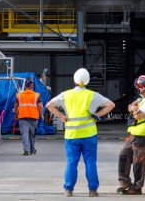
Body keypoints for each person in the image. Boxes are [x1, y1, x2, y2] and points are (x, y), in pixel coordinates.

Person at [47, 68, 115, 198]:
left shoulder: (66, 95)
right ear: (88, 81)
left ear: (74, 80)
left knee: (71, 162)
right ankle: (93, 190)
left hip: (72, 135)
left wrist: (62, 116)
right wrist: (97, 115)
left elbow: (49, 105)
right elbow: (111, 105)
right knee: (90, 162)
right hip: (89, 134)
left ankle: (68, 189)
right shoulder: (92, 95)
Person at [117, 75, 145, 195]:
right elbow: (130, 106)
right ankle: (125, 183)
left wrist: (134, 109)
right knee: (124, 156)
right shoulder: (143, 99)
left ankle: (136, 187)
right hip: (134, 136)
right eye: (140, 90)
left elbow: (137, 115)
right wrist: (134, 108)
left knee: (139, 163)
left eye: (142, 90)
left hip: (143, 137)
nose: (141, 92)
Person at [15, 78, 42, 155]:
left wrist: (16, 114)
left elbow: (16, 106)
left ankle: (26, 150)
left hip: (23, 117)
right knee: (32, 134)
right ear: (32, 86)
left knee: (25, 134)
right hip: (34, 117)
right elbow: (40, 106)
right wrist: (42, 115)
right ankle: (32, 149)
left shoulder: (19, 95)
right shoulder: (36, 95)